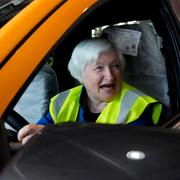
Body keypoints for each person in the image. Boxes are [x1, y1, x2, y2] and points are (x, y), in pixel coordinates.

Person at [18, 38, 164, 144]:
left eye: (116, 66)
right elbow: (41, 131)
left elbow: (120, 151)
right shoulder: (62, 101)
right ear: (80, 74)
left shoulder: (138, 106)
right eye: (99, 68)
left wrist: (57, 136)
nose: (110, 75)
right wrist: (36, 134)